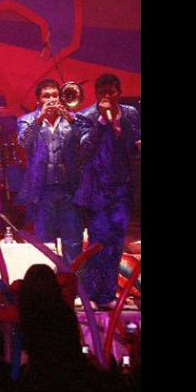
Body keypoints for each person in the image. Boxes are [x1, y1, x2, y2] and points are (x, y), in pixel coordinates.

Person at [75, 73, 140, 309]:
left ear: (119, 93)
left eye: (110, 92)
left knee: (116, 242)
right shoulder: (87, 116)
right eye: (102, 92)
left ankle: (108, 295)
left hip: (122, 189)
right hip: (98, 190)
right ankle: (91, 294)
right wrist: (103, 122)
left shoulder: (130, 113)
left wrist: (132, 140)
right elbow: (85, 148)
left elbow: (135, 144)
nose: (106, 96)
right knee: (97, 243)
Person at [17, 79, 83, 267]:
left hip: (69, 191)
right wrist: (40, 119)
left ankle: (74, 284)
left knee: (73, 244)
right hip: (42, 192)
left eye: (55, 95)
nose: (52, 99)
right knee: (45, 246)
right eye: (46, 96)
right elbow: (23, 143)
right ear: (38, 100)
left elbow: (86, 141)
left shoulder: (72, 119)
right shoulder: (27, 120)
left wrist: (71, 119)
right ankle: (47, 284)